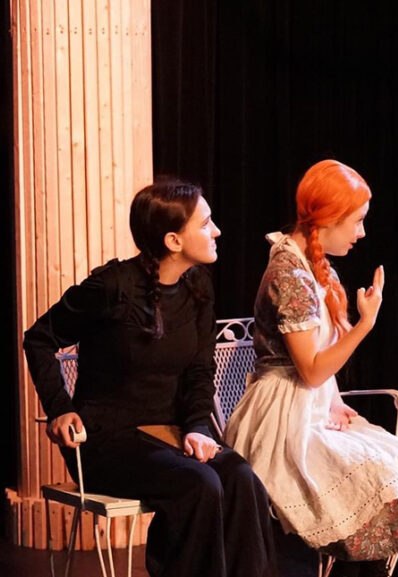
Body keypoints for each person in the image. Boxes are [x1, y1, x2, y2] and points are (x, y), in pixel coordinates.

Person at [23, 179, 277, 577]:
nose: (217, 231)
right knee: (200, 484)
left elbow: (199, 369)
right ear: (174, 240)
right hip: (104, 441)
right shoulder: (112, 288)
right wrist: (59, 409)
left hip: (169, 435)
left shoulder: (198, 287)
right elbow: (38, 338)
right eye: (206, 223)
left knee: (241, 478)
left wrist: (196, 426)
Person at [225, 159, 398, 576]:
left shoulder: (314, 267)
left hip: (310, 407)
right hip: (279, 419)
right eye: (356, 221)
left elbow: (322, 369)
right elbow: (310, 370)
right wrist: (365, 325)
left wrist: (334, 401)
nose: (361, 232)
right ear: (329, 219)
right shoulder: (289, 273)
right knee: (372, 473)